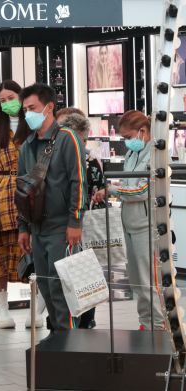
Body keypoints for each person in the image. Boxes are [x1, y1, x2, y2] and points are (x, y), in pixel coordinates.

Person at [16, 83, 88, 334]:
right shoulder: (26, 146)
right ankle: (59, 340)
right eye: (24, 109)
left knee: (62, 290)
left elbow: (78, 180)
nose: (27, 114)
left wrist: (75, 221)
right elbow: (23, 190)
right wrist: (23, 228)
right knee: (46, 288)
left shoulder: (68, 139)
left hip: (62, 228)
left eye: (32, 108)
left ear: (48, 107)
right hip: (37, 230)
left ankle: (69, 345)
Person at [0, 80, 39, 329]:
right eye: (2, 100)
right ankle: (2, 310)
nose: (7, 103)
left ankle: (37, 310)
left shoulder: (34, 126)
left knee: (34, 252)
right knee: (0, 255)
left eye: (11, 97)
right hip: (4, 200)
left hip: (33, 196)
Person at [109, 110, 164, 331]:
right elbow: (129, 185)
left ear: (142, 131)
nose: (126, 141)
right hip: (131, 223)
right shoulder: (133, 154)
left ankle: (159, 326)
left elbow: (142, 190)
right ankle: (145, 323)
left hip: (147, 226)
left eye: (128, 136)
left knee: (150, 279)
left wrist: (113, 189)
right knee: (138, 280)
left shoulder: (155, 154)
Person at [57, 109, 104, 330]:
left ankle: (76, 320)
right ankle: (82, 320)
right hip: (77, 222)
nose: (84, 143)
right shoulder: (87, 156)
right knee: (82, 271)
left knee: (74, 272)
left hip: (71, 223)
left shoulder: (86, 157)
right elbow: (97, 192)